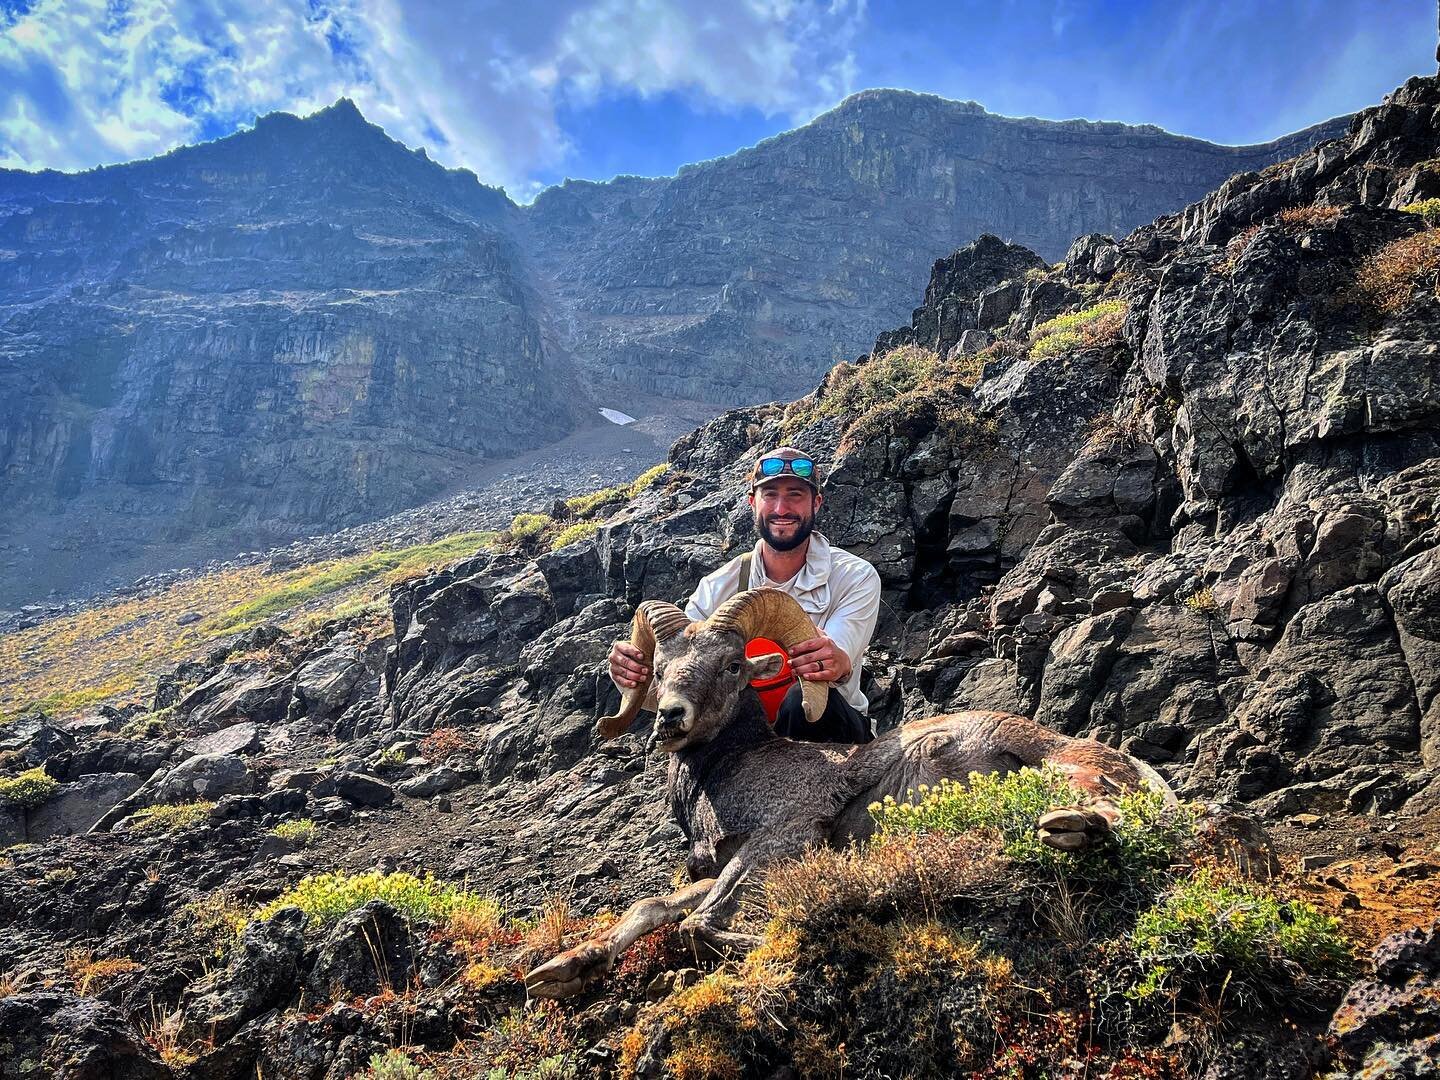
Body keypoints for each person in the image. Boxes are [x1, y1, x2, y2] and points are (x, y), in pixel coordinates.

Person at [608, 446, 882, 743]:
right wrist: (634, 673)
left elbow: (840, 657)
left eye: (795, 495)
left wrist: (835, 660)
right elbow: (682, 674)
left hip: (827, 725)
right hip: (744, 732)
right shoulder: (718, 587)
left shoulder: (855, 576)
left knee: (797, 704)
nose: (781, 509)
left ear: (816, 503)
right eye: (770, 495)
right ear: (753, 502)